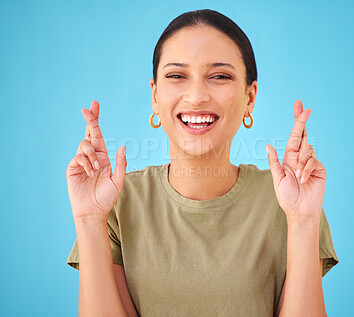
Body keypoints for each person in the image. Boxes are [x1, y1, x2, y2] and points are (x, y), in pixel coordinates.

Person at [66, 9, 339, 317]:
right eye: (176, 76)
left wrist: (303, 222)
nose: (196, 96)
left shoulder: (289, 200)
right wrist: (89, 219)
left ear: (250, 97)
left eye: (219, 76)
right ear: (155, 95)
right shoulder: (115, 202)